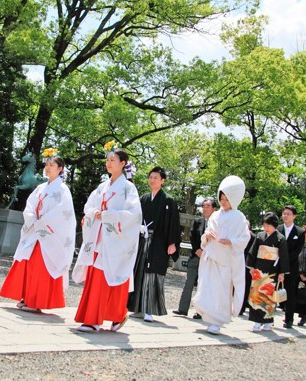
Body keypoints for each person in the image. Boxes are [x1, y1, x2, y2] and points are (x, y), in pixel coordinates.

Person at [72, 142, 141, 332]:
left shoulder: (128, 188)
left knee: (113, 276)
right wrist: (94, 213)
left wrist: (109, 215)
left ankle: (107, 316)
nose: (109, 163)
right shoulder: (103, 186)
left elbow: (134, 215)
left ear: (123, 163)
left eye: (113, 160)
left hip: (115, 239)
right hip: (99, 237)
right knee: (99, 277)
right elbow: (89, 206)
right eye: (107, 160)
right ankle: (97, 317)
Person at [0, 148, 76, 312]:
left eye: (52, 165)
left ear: (60, 168)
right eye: (47, 164)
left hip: (49, 233)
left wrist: (43, 222)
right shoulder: (40, 187)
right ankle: (27, 297)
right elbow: (30, 206)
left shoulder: (63, 189)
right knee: (27, 262)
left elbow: (64, 213)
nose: (48, 168)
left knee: (41, 265)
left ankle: (37, 301)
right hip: (35, 229)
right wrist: (32, 218)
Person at [192, 175, 251, 335]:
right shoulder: (215, 215)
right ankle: (207, 316)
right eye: (222, 198)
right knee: (207, 287)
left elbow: (245, 238)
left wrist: (231, 241)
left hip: (225, 260)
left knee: (220, 291)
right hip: (211, 257)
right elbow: (206, 233)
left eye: (227, 199)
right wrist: (207, 236)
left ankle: (217, 321)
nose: (223, 202)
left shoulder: (239, 217)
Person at [128, 166, 180, 322]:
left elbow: (173, 223)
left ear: (162, 181)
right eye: (150, 177)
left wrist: (172, 242)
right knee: (139, 272)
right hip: (142, 239)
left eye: (156, 178)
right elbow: (135, 216)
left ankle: (149, 309)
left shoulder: (168, 201)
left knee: (153, 274)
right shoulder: (144, 198)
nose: (152, 180)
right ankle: (137, 307)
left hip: (159, 242)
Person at [174, 198, 217, 319]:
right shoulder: (198, 221)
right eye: (203, 206)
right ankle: (182, 309)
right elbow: (192, 237)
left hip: (209, 258)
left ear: (214, 209)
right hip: (196, 256)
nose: (204, 208)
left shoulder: (217, 224)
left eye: (207, 206)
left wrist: (206, 252)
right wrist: (197, 250)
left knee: (204, 285)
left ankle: (200, 311)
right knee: (189, 282)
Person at [246, 212, 289, 332]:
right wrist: (251, 267)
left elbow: (284, 257)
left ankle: (268, 321)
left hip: (271, 272)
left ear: (274, 225)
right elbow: (253, 252)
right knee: (256, 296)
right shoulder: (260, 236)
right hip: (258, 270)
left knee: (268, 297)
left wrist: (282, 273)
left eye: (268, 226)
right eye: (264, 225)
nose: (266, 228)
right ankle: (256, 321)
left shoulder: (280, 238)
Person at [277, 205, 303, 328]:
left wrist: (285, 262)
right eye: (284, 213)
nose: (285, 216)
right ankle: (268, 317)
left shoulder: (300, 232)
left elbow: (297, 251)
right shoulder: (278, 229)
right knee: (273, 290)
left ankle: (289, 319)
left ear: (294, 216)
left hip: (292, 267)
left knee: (290, 293)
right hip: (276, 266)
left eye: (288, 214)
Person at [239, 219, 255, 316]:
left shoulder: (252, 237)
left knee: (245, 286)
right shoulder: (236, 235)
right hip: (236, 262)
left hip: (247, 264)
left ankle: (242, 306)